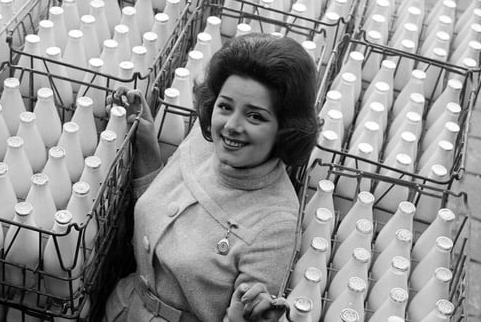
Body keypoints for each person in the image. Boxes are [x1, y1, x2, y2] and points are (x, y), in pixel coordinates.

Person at [103, 33, 320, 322]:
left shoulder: (275, 223)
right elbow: (156, 207)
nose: (231, 126)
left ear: (285, 128)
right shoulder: (202, 142)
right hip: (122, 308)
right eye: (225, 106)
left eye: (255, 116)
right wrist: (146, 141)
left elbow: (243, 313)